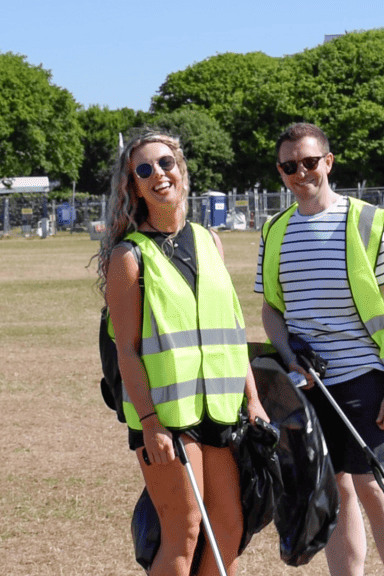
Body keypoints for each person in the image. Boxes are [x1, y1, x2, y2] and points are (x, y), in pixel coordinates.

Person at [96, 130, 269, 576]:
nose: (159, 175)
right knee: (185, 529)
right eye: (144, 169)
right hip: (167, 417)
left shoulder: (210, 240)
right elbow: (128, 352)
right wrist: (150, 423)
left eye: (166, 163)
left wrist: (253, 400)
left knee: (229, 527)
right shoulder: (128, 257)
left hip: (222, 408)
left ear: (182, 170)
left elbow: (232, 329)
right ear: (132, 186)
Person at [256, 123, 384, 576]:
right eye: (290, 165)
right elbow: (271, 308)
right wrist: (289, 356)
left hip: (364, 379)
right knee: (334, 489)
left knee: (376, 488)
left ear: (328, 162)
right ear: (281, 171)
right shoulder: (274, 231)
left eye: (310, 162)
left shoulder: (367, 221)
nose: (300, 172)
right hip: (306, 385)